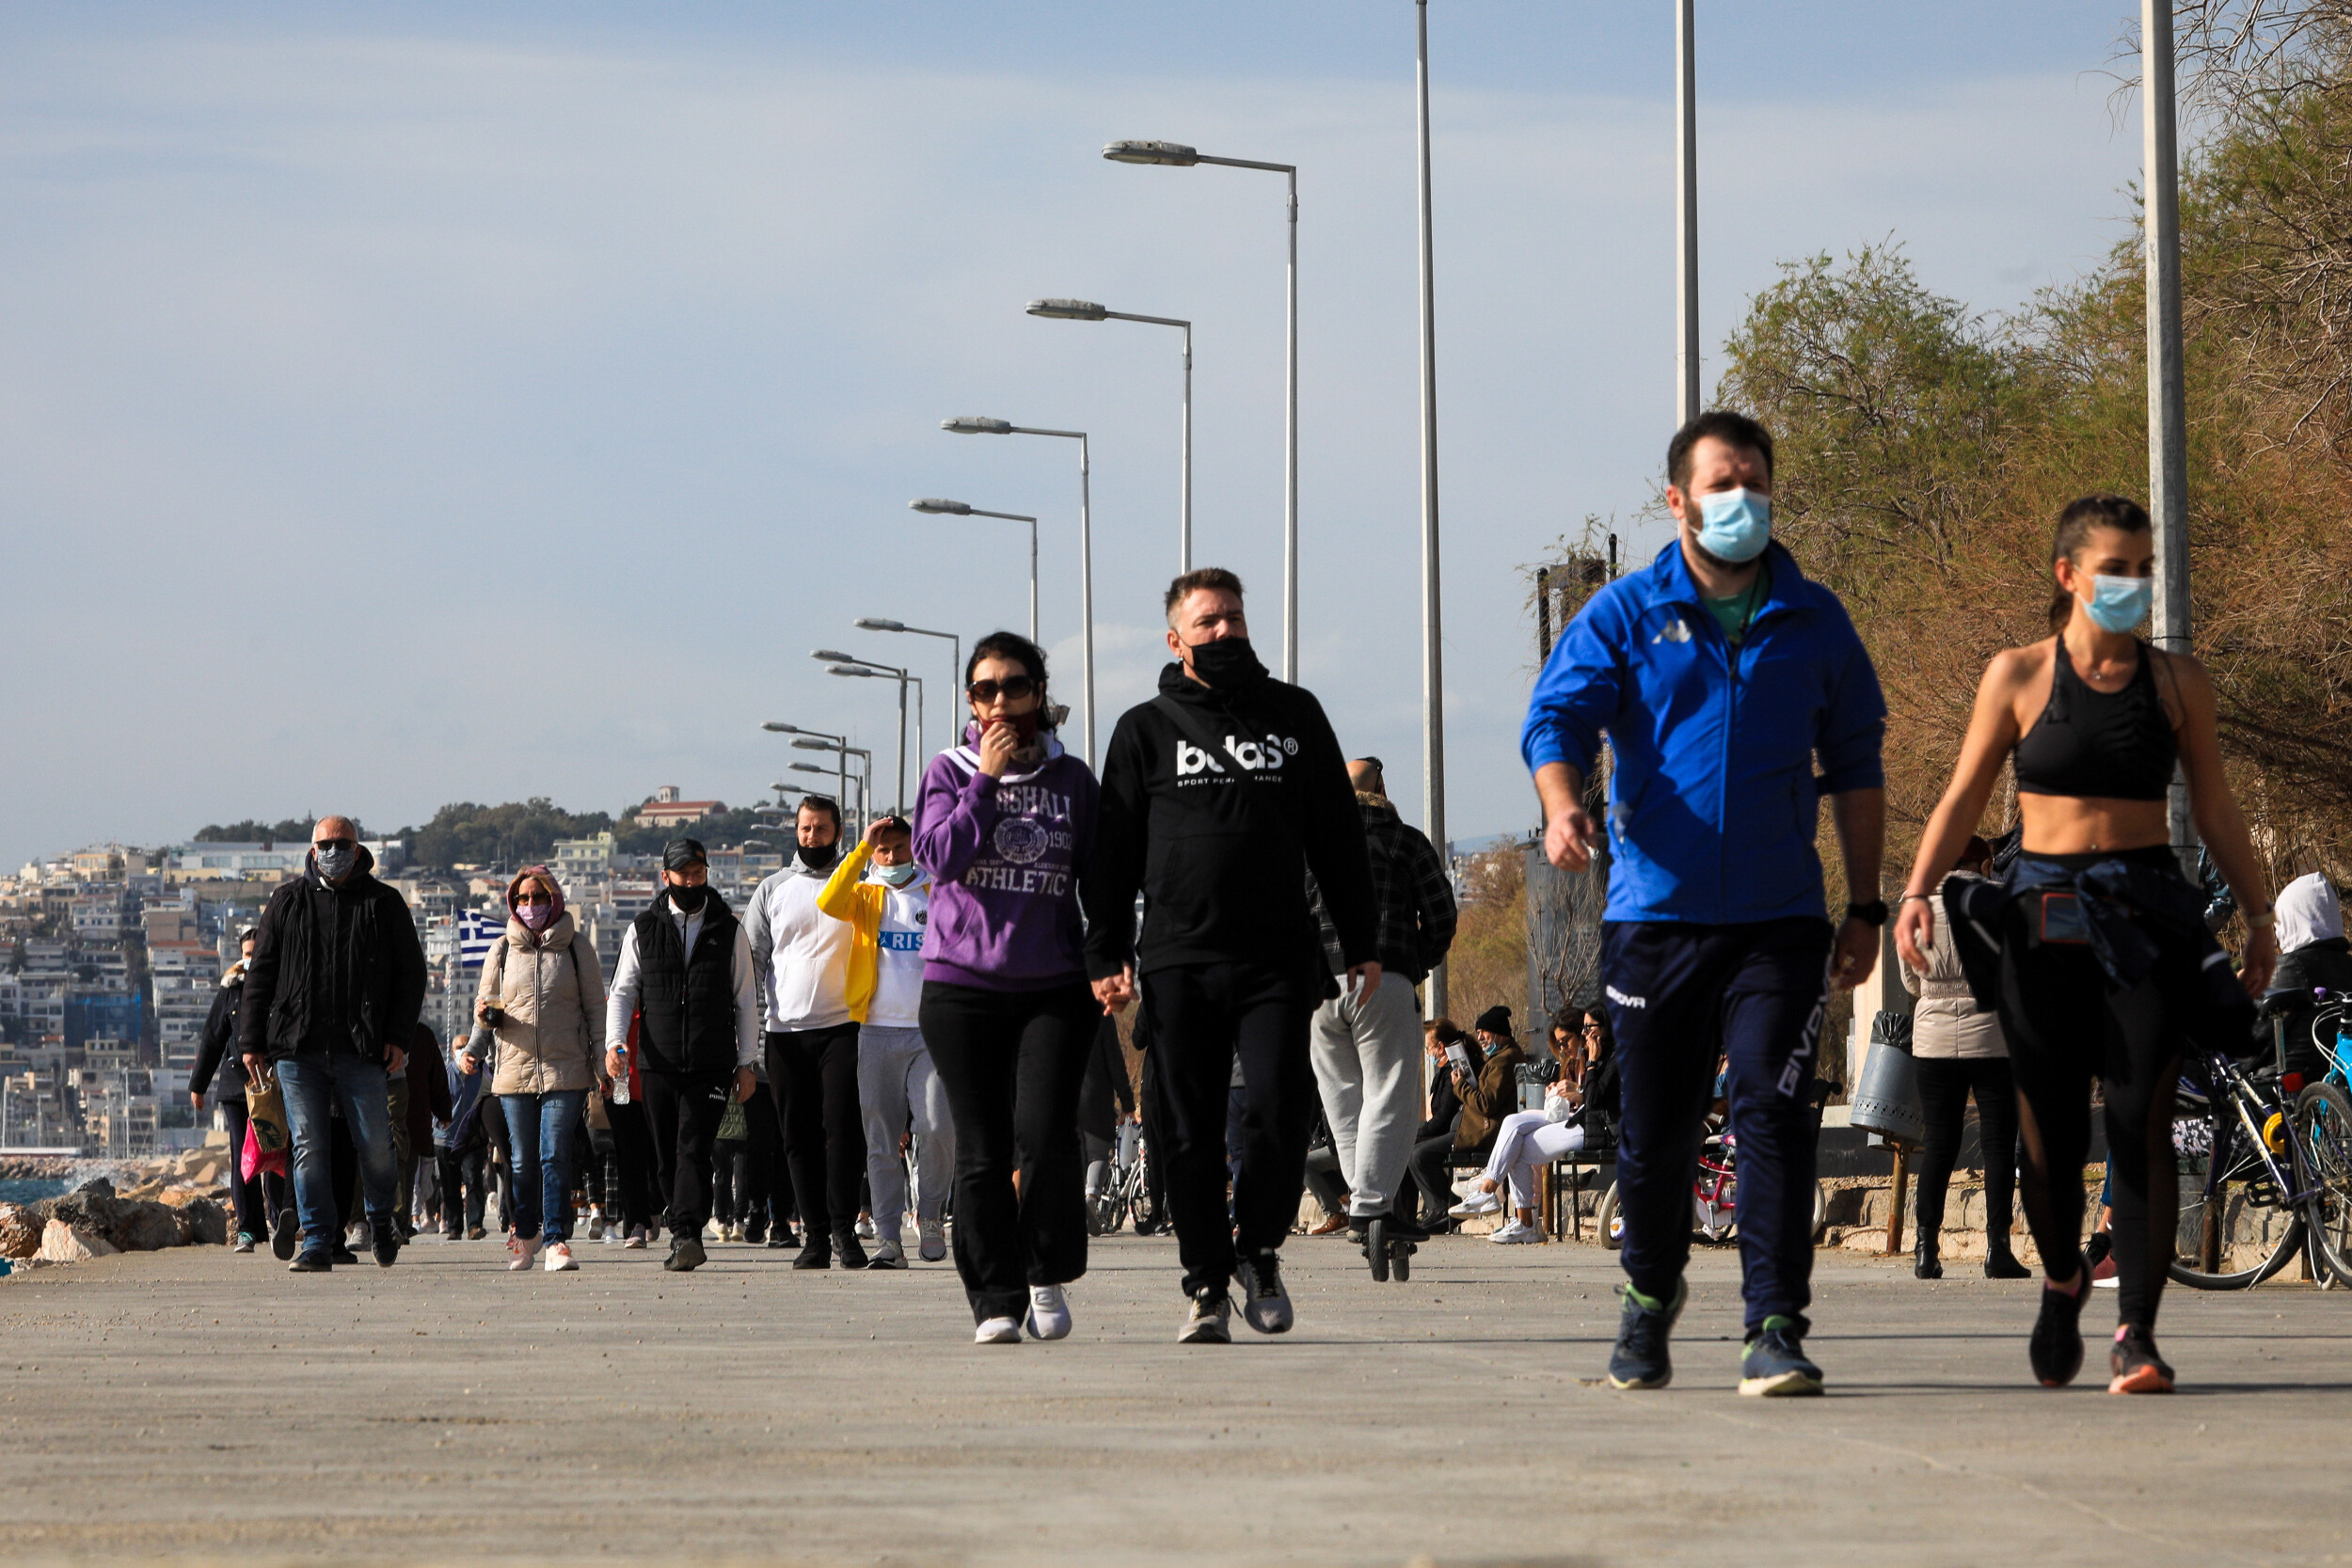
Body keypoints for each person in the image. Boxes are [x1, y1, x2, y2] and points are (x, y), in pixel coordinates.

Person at [1522, 411, 1888, 1397]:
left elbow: (1856, 765)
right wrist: (1561, 805)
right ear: (1678, 499)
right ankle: (1647, 1299)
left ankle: (1772, 1324)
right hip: (1655, 917)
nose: (1743, 500)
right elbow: (1554, 717)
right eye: (1722, 483)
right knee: (1656, 1132)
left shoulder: (1815, 620)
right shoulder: (1627, 612)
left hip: (1777, 919)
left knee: (1772, 1110)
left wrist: (1865, 903)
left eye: (1756, 482)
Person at [1896, 493, 2273, 1396]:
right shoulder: (2019, 676)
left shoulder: (2180, 685)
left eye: (2144, 569)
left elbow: (2215, 807)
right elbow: (1960, 796)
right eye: (2116, 569)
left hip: (2148, 917)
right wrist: (1915, 890)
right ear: (2069, 575)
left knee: (2142, 1118)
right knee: (2049, 1137)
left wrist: (2259, 914)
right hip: (2043, 920)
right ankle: (2062, 1275)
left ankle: (2136, 1333)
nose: (2133, 585)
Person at [1085, 568, 1381, 1344]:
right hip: (1179, 962)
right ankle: (1206, 1280)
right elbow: (1112, 852)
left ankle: (1258, 1249)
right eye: (1207, 621)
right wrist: (1105, 950)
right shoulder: (1144, 729)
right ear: (1176, 637)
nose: (1224, 632)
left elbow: (1339, 838)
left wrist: (1361, 940)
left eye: (1234, 618)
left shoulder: (1296, 715)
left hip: (1279, 959)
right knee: (1182, 1130)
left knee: (1279, 1114)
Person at [914, 630, 1102, 1344]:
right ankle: (995, 1296)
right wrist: (985, 782)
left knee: (1047, 1135)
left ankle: (1045, 1269)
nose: (999, 701)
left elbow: (1098, 876)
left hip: (1053, 983)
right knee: (982, 1149)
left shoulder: (1072, 779)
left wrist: (1112, 959)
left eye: (1013, 687)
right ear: (969, 700)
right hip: (962, 987)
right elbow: (940, 857)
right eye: (984, 689)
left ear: (1038, 694)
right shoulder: (949, 769)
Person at [237, 816, 426, 1273]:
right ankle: (318, 1239)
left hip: (362, 1051)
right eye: (325, 843)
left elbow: (412, 974)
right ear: (312, 848)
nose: (333, 850)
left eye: (342, 843)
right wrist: (251, 1041)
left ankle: (382, 1221)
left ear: (358, 850)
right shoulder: (286, 902)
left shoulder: (384, 903)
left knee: (377, 1145)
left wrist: (398, 1037)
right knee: (309, 1146)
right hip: (297, 1051)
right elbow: (260, 975)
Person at [1306, 755, 1457, 1252]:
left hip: (1322, 990)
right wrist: (1416, 961)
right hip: (1382, 976)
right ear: (1383, 789)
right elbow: (1440, 915)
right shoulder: (1406, 841)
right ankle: (1374, 1207)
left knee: (1343, 1099)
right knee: (1390, 1092)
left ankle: (1364, 1206)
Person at [603, 838, 760, 1272]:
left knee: (693, 1146)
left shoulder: (729, 929)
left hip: (710, 1061)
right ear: (665, 876)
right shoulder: (643, 928)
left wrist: (747, 1062)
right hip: (657, 1061)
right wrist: (615, 1043)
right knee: (665, 1155)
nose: (691, 880)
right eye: (683, 873)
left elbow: (746, 999)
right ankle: (681, 1222)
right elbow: (621, 991)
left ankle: (688, 1232)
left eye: (698, 873)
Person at [818, 814, 954, 1269]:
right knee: (880, 1140)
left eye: (899, 848)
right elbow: (828, 902)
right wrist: (859, 849)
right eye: (884, 850)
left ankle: (931, 1213)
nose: (892, 857)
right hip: (875, 1030)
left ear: (913, 847)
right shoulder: (863, 894)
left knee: (937, 1124)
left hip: (930, 1032)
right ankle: (890, 1239)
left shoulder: (935, 892)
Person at [1899, 834, 2029, 1281]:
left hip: (1932, 1040)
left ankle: (1925, 1249)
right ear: (1982, 864)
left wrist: (1938, 996)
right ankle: (1998, 1250)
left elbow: (1910, 981)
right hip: (1992, 1037)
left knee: (1938, 1144)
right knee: (1996, 1144)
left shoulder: (1915, 905)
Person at [462, 866, 606, 1273]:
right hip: (513, 1071)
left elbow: (596, 1010)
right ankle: (526, 1233)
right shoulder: (501, 951)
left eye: (538, 898)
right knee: (521, 1160)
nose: (530, 906)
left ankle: (558, 1239)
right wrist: (474, 1048)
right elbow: (486, 1011)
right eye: (522, 899)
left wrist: (602, 1065)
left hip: (566, 1069)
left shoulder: (577, 949)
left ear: (554, 900)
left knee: (554, 1154)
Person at [747, 798, 866, 1270]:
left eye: (820, 828)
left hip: (845, 1028)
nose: (811, 836)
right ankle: (814, 1236)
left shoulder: (858, 884)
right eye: (804, 828)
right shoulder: (773, 888)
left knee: (843, 1131)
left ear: (838, 831)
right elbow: (753, 961)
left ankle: (844, 1230)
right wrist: (745, 1034)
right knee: (796, 1137)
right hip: (786, 1032)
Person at [1453, 1008, 1620, 1243]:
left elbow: (1594, 1099)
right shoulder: (1591, 1056)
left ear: (1605, 1028)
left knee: (1517, 1148)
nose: (1586, 1035)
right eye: (1583, 1029)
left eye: (1590, 1028)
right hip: (1579, 1119)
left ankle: (1507, 1208)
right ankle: (1498, 1200)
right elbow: (1589, 1097)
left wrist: (1586, 1075)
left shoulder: (1612, 1057)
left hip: (1596, 1129)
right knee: (1512, 1123)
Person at [189, 927, 282, 1254]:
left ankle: (280, 1219)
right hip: (234, 1086)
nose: (251, 961)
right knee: (242, 1155)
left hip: (272, 1083)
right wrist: (198, 1086)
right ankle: (248, 1230)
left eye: (257, 954)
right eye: (246, 954)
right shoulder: (230, 990)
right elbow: (212, 1038)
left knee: (274, 1151)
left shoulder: (282, 986)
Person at [2264, 873, 2352, 1077]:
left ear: (2291, 918)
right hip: (2336, 1085)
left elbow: (2256, 1041)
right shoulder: (2347, 964)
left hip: (2288, 1083)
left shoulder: (2289, 967)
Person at [1406, 1020, 1474, 1230]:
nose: (1428, 1052)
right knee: (1403, 1148)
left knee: (1415, 1153)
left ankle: (1442, 1208)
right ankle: (1405, 1215)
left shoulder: (1455, 1071)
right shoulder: (1443, 1074)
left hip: (1460, 1132)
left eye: (1428, 1048)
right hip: (1447, 1129)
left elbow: (1443, 1119)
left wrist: (1415, 1133)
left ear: (1441, 1047)